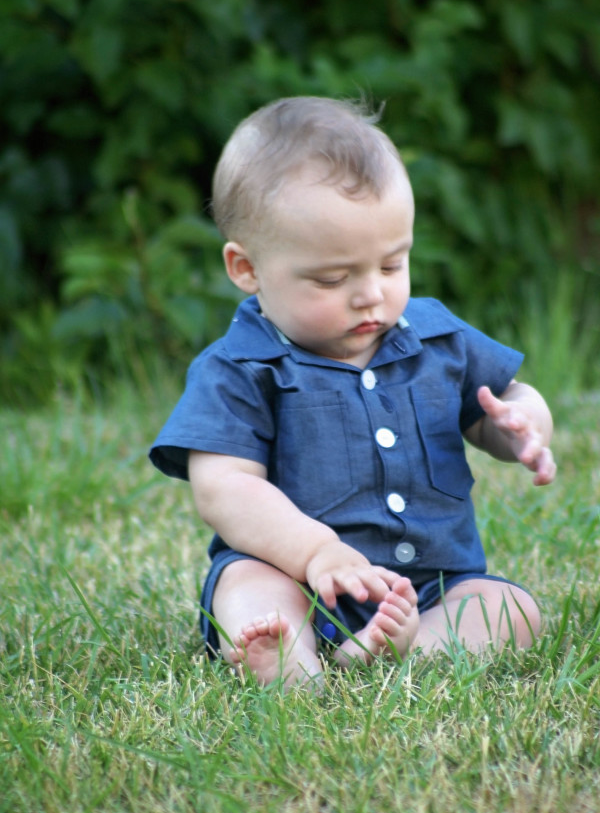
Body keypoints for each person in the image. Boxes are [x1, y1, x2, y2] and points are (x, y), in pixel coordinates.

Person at [150, 96, 556, 688]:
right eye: (333, 278)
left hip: (429, 588)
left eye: (392, 265)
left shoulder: (440, 340)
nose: (371, 295)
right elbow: (223, 487)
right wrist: (315, 553)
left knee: (511, 610)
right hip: (293, 574)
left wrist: (521, 422)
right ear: (247, 269)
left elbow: (506, 399)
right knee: (248, 590)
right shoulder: (239, 367)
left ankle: (404, 651)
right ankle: (291, 659)